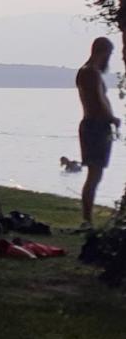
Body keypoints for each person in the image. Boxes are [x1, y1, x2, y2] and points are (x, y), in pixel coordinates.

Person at [76, 36, 120, 228]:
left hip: (95, 126)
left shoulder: (88, 72)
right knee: (94, 174)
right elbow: (99, 100)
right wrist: (112, 118)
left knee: (95, 174)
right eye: (108, 54)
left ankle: (87, 218)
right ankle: (87, 219)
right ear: (102, 52)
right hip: (95, 126)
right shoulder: (91, 73)